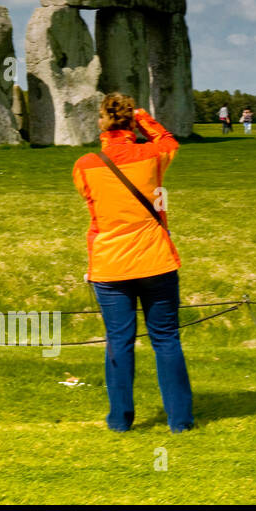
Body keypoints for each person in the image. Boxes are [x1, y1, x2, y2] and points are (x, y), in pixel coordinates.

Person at [73, 93, 194, 434]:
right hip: (156, 261)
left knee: (119, 341)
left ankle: (120, 421)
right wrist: (144, 117)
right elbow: (169, 142)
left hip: (110, 266)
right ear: (131, 122)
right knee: (166, 340)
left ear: (102, 123)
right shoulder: (153, 155)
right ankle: (180, 422)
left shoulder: (85, 165)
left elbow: (89, 200)